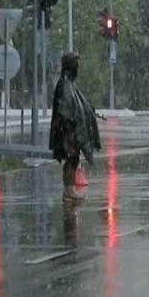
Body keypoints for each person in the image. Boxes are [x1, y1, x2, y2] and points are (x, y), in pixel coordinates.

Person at [49, 52, 101, 200]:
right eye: (75, 65)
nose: (77, 68)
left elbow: (77, 104)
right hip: (67, 131)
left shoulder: (70, 84)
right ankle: (68, 190)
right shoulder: (64, 84)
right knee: (72, 158)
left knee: (73, 158)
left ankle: (69, 190)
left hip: (69, 130)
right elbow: (67, 110)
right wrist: (70, 129)